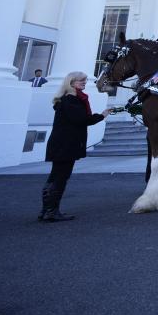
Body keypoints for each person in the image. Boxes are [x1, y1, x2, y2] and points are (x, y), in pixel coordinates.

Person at [39, 72, 112, 222]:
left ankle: (47, 210)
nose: (84, 83)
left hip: (62, 143)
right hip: (66, 144)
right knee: (60, 178)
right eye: (81, 81)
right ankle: (51, 211)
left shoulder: (67, 99)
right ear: (71, 82)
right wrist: (102, 115)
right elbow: (81, 119)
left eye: (85, 80)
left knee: (55, 176)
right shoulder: (71, 99)